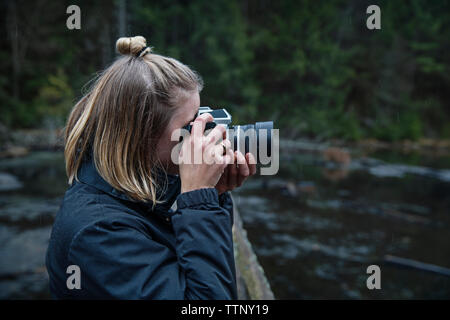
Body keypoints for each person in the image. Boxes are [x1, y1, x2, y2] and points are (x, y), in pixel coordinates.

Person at [45, 35, 256, 299]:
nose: (202, 136)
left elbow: (202, 278)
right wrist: (198, 202)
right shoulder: (98, 234)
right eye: (191, 126)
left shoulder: (144, 192)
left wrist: (213, 196)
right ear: (142, 138)